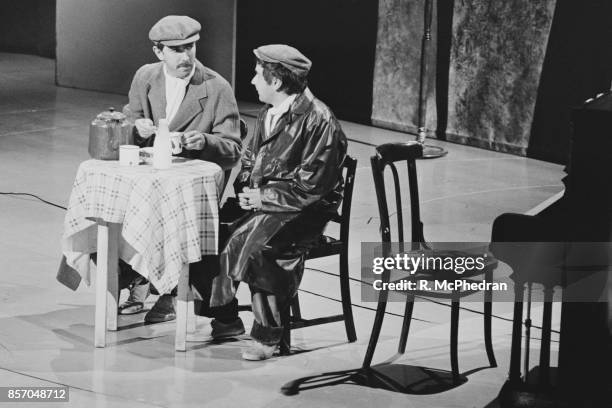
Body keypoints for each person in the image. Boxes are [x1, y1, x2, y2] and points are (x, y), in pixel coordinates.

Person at [210, 44, 348, 360]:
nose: (253, 81)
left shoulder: (319, 120)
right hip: (268, 203)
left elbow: (314, 183)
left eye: (258, 75)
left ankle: (267, 335)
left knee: (261, 249)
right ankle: (226, 318)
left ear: (276, 81)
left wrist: (266, 196)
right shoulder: (268, 114)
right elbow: (250, 158)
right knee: (213, 228)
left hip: (304, 212)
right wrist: (248, 190)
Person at [120, 15, 244, 338]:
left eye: (190, 47)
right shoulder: (145, 78)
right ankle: (145, 281)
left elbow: (233, 149)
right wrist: (135, 128)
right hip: (153, 182)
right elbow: (126, 126)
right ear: (159, 51)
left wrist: (204, 141)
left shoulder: (216, 87)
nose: (186, 57)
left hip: (195, 190)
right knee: (115, 215)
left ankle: (193, 301)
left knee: (185, 223)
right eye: (176, 50)